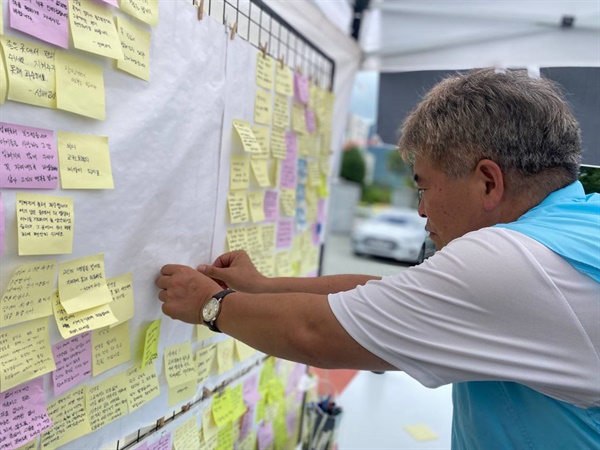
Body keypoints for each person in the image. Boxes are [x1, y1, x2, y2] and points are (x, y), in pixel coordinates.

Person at [155, 68, 600, 448]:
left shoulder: (517, 262)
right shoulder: (570, 231)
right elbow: (391, 296)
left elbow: (315, 332)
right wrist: (264, 287)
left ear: (488, 183)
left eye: (423, 187)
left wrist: (211, 306)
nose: (421, 209)